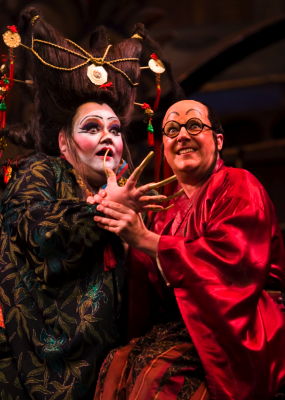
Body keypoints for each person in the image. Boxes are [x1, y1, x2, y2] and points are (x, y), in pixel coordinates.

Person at [0, 6, 173, 400]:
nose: (107, 138)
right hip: (28, 365)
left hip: (105, 370)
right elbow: (36, 230)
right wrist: (99, 210)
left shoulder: (133, 196)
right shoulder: (42, 172)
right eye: (91, 128)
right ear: (64, 142)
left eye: (114, 129)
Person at [92, 99, 285, 400]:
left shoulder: (238, 184)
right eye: (171, 130)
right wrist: (127, 222)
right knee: (117, 362)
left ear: (218, 140)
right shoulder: (165, 209)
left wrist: (145, 239)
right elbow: (148, 288)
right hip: (186, 326)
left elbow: (230, 263)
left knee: (156, 375)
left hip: (239, 325)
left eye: (194, 125)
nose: (182, 135)